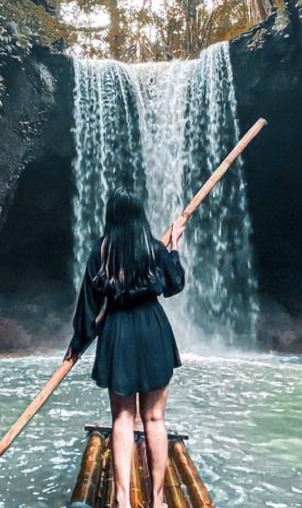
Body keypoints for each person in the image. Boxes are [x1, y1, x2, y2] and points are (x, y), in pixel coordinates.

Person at [65, 188, 185, 508]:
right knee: (155, 419)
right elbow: (174, 286)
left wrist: (79, 341)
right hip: (153, 328)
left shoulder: (101, 250)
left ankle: (122, 500)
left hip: (118, 331)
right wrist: (172, 251)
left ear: (112, 214)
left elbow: (89, 303)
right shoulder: (153, 248)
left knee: (122, 419)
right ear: (140, 213)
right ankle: (158, 501)